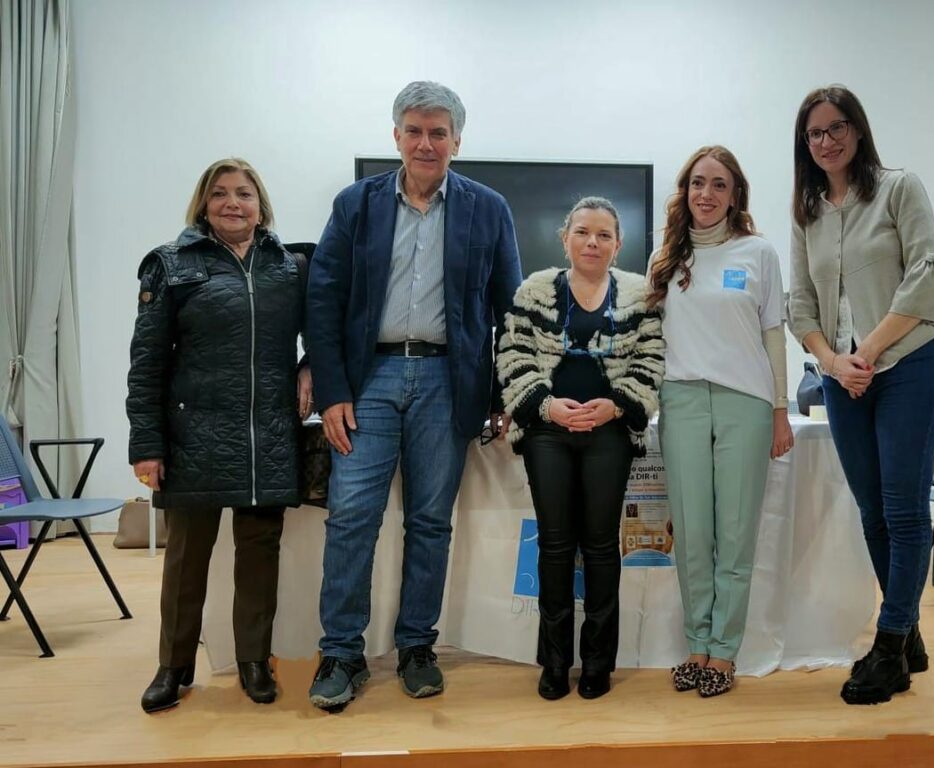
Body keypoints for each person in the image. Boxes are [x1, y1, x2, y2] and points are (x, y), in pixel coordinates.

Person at [305, 81, 522, 710]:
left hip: (447, 382)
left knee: (430, 521)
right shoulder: (357, 204)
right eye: (415, 131)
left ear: (457, 140)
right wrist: (332, 390)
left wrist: (504, 392)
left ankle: (417, 647)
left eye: (439, 133)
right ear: (396, 136)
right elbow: (323, 297)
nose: (426, 143)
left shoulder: (488, 208)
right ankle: (341, 653)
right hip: (367, 380)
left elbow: (508, 308)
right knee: (351, 517)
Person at [126, 158, 312, 713]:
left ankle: (253, 661)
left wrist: (311, 366)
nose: (233, 203)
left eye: (244, 193)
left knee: (259, 555)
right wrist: (147, 445)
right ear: (204, 205)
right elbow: (146, 363)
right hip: (194, 436)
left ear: (261, 205)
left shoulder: (290, 267)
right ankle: (174, 666)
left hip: (267, 434)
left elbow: (324, 331)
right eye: (220, 193)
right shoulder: (170, 265)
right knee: (187, 559)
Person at [788, 85, 934, 705]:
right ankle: (908, 637)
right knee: (874, 514)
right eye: (814, 133)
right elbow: (801, 304)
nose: (826, 141)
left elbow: (925, 277)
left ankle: (888, 646)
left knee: (904, 511)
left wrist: (868, 352)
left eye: (836, 128)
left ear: (857, 130)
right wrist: (834, 362)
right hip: (843, 380)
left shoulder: (899, 189)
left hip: (908, 368)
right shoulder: (807, 211)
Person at [497, 197, 664, 700]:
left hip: (610, 434)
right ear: (565, 238)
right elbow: (512, 354)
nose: (593, 242)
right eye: (583, 232)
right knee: (554, 546)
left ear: (618, 244)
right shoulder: (533, 290)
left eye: (604, 235)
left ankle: (597, 663)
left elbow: (652, 359)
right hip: (547, 433)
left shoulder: (640, 296)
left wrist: (618, 406)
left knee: (600, 546)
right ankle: (554, 662)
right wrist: (547, 407)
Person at [649, 146, 793, 698]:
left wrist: (779, 409)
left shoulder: (758, 252)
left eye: (718, 185)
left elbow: (773, 335)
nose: (705, 194)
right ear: (685, 191)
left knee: (734, 535)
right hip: (682, 400)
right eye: (697, 183)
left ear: (735, 196)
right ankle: (697, 645)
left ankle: (725, 652)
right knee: (691, 535)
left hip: (745, 404)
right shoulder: (666, 257)